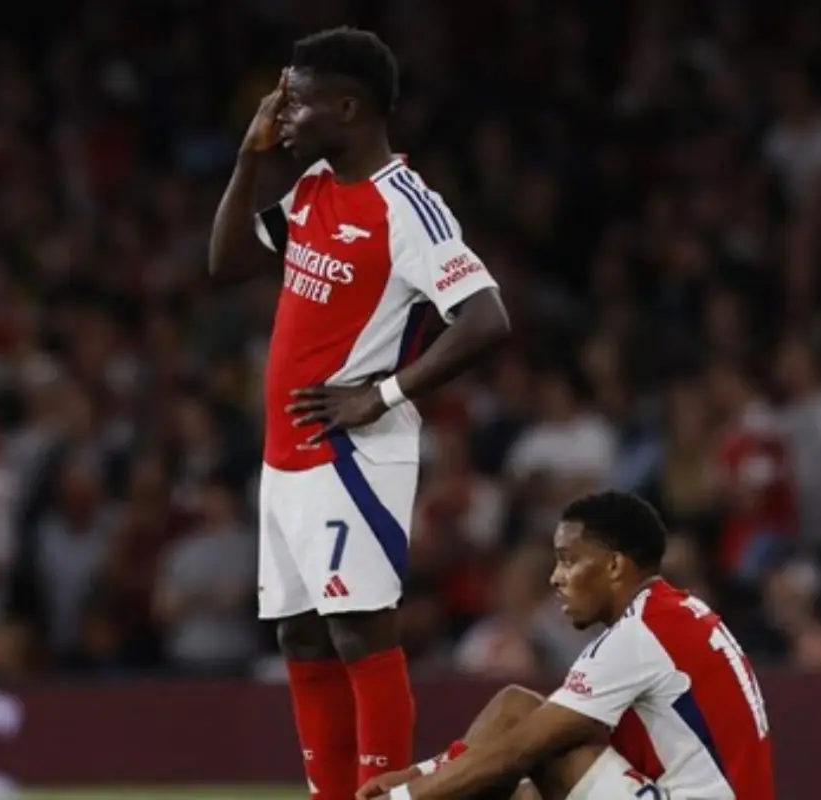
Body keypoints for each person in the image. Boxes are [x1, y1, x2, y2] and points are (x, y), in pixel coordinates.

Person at [208, 26, 510, 799]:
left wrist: (382, 394)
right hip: (287, 455)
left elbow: (485, 317)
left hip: (352, 454)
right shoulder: (313, 185)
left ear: (348, 107)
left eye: (299, 102)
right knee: (302, 636)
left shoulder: (407, 206)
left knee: (359, 630)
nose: (284, 115)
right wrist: (248, 157)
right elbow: (228, 262)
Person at [360, 491, 776, 800]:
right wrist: (419, 774)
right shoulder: (674, 613)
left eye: (569, 560)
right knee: (516, 712)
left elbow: (518, 747)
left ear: (614, 565)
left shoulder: (639, 635)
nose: (555, 577)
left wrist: (404, 797)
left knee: (524, 750)